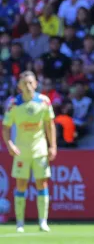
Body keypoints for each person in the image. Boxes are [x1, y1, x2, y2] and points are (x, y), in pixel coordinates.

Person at [2, 71, 57, 233]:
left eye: (30, 83)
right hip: (21, 151)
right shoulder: (14, 104)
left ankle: (43, 222)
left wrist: (52, 146)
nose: (28, 86)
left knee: (42, 183)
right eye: (24, 83)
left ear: (36, 84)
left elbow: (49, 125)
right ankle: (20, 223)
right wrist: (9, 144)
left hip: (40, 150)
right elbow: (5, 127)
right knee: (21, 185)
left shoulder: (44, 101)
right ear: (19, 86)